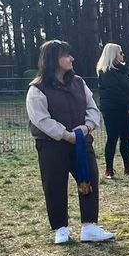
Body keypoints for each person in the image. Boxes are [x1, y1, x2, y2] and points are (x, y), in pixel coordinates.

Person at [26, 40, 114, 244]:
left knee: (88, 179)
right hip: (51, 145)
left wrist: (87, 127)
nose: (72, 59)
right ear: (53, 60)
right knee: (54, 184)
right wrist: (66, 135)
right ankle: (61, 229)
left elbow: (92, 108)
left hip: (82, 143)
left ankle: (90, 226)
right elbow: (41, 119)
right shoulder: (37, 89)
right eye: (66, 55)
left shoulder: (79, 83)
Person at [95, 43, 129, 180]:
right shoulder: (105, 71)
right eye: (120, 52)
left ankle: (128, 166)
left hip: (124, 108)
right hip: (111, 109)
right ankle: (109, 169)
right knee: (112, 138)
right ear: (113, 54)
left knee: (125, 137)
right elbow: (114, 91)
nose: (122, 54)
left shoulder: (123, 69)